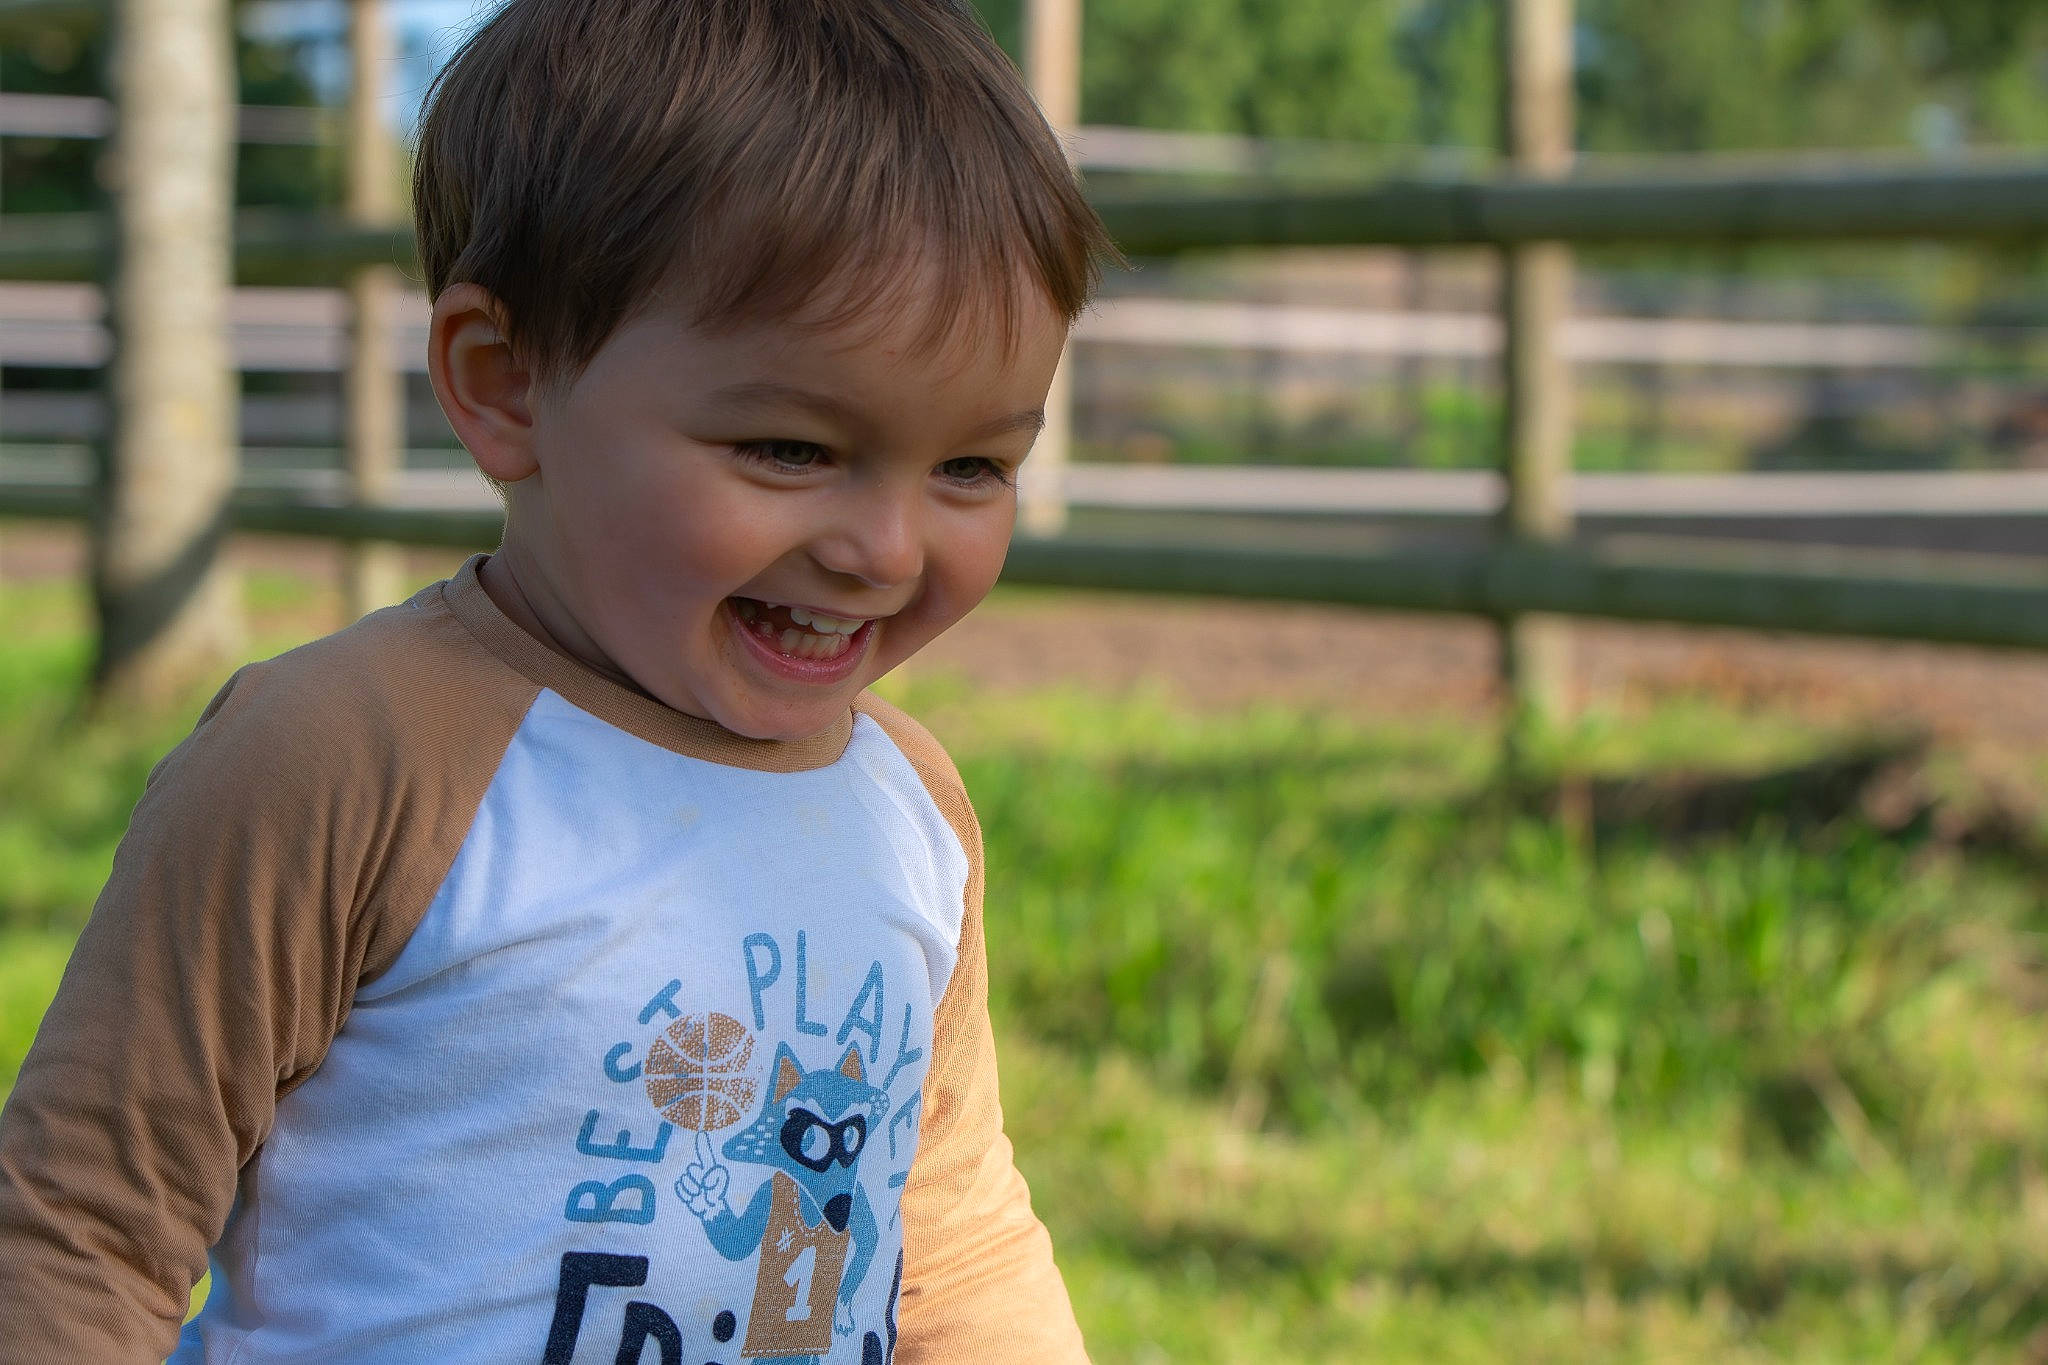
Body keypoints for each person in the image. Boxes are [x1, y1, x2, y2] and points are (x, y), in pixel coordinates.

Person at [0, 1, 1116, 1359]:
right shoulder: (344, 762)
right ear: (505, 383)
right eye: (786, 448)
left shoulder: (908, 811)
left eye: (972, 467)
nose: (883, 548)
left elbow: (951, 1229)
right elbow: (82, 1229)